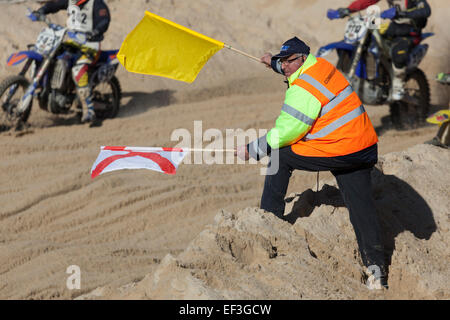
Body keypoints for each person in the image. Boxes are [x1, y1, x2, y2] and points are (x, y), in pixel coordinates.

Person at [235, 37, 387, 289]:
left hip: (340, 148)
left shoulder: (302, 89)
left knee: (280, 154)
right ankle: (377, 272)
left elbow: (286, 131)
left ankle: (268, 219)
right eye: (281, 62)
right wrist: (272, 62)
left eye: (288, 61)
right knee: (363, 212)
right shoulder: (320, 66)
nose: (285, 66)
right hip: (363, 146)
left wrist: (252, 149)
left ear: (302, 59)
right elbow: (292, 67)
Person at [331, 0, 431, 101]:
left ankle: (398, 84)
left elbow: (426, 10)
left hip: (410, 32)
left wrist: (402, 13)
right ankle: (375, 75)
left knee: (398, 53)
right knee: (369, 37)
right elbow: (366, 1)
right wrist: (348, 9)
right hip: (394, 27)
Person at [33, 0, 111, 124]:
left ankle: (89, 110)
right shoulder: (71, 1)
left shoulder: (97, 4)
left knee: (78, 70)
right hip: (72, 42)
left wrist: (96, 31)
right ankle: (49, 89)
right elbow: (55, 5)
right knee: (51, 56)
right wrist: (42, 11)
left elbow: (104, 20)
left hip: (90, 46)